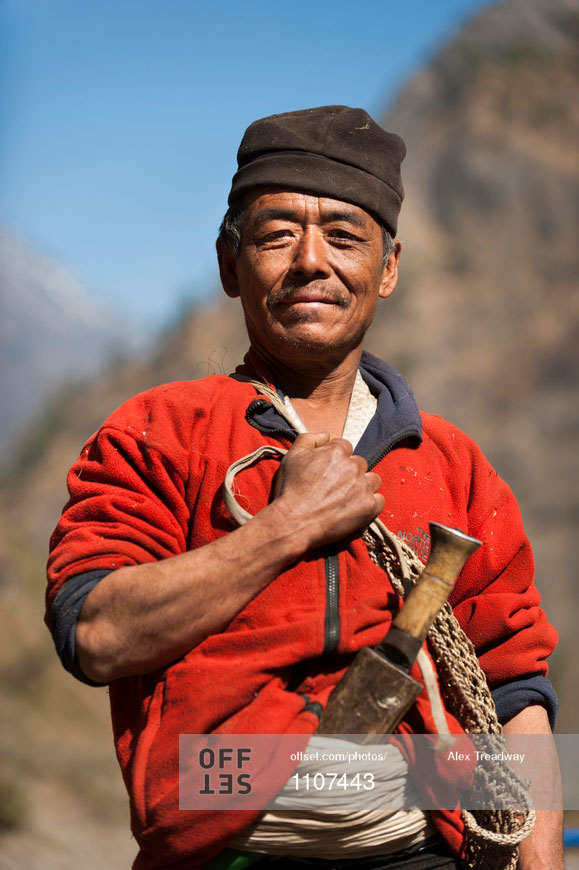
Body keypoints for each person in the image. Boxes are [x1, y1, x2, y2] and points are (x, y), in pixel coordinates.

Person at [46, 106, 562, 870]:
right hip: (219, 848)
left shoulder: (453, 466)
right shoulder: (160, 430)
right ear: (230, 266)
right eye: (276, 234)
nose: (311, 262)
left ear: (387, 269)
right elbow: (95, 636)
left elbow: (513, 684)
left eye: (345, 237)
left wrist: (542, 860)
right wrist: (283, 528)